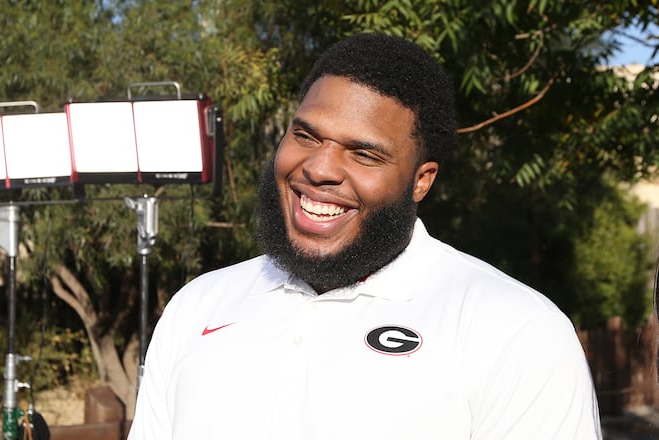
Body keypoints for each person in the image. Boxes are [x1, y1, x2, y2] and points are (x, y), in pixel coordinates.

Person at [128, 33, 601, 439]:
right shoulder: (196, 308)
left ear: (421, 180)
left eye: (364, 154)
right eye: (307, 136)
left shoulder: (515, 331)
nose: (319, 169)